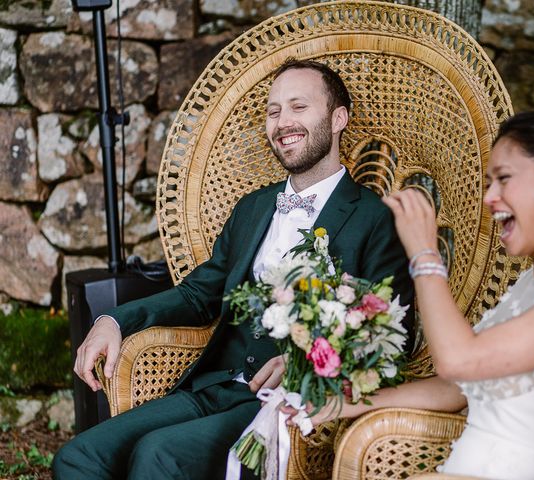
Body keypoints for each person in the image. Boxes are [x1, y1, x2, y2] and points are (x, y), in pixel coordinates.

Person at [53, 58, 414, 480]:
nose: (282, 122)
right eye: (273, 110)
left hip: (284, 406)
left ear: (338, 119)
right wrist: (115, 320)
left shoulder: (375, 219)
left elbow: (391, 340)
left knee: (158, 456)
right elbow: (196, 294)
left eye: (299, 107)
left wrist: (306, 364)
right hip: (211, 385)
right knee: (77, 458)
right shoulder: (253, 207)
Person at [291, 111, 534, 480]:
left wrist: (424, 254)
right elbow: (459, 387)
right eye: (488, 183)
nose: (490, 197)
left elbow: (457, 361)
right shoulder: (530, 285)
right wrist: (348, 401)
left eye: (504, 179)